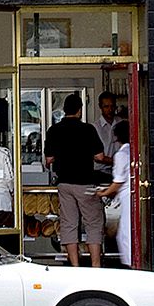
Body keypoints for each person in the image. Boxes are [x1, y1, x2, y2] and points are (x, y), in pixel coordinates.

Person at [44, 97, 105, 268]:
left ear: (64, 109)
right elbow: (99, 157)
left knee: (69, 224)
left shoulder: (53, 130)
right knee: (93, 223)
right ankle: (95, 267)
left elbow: (48, 159)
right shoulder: (88, 129)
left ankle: (75, 267)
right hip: (85, 182)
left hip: (64, 183)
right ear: (80, 110)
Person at [101, 115, 131, 268]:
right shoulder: (132, 151)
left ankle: (130, 265)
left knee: (125, 234)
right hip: (130, 196)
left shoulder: (121, 155)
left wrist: (103, 193)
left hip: (126, 196)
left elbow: (117, 182)